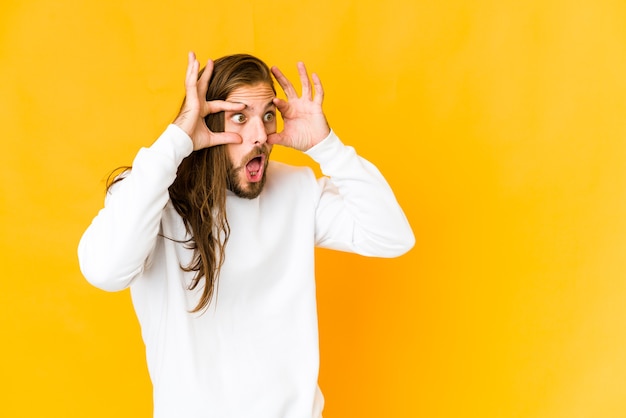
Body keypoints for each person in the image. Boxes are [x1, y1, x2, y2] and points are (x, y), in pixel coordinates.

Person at [78, 51, 415, 418]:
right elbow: (105, 271)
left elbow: (392, 236)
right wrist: (175, 142)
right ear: (206, 123)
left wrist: (327, 146)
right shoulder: (153, 197)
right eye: (240, 117)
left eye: (267, 116)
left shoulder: (295, 189)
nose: (260, 136)